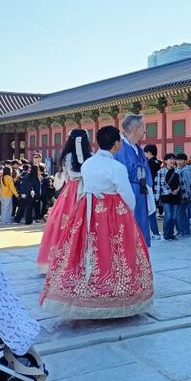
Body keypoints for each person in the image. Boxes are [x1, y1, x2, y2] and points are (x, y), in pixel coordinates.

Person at [40, 126, 154, 319]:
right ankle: (115, 294)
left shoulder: (88, 164)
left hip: (86, 209)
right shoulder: (117, 167)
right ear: (116, 144)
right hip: (112, 212)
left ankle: (83, 291)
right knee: (114, 252)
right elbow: (127, 196)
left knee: (85, 249)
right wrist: (129, 215)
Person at [36, 129, 92, 274]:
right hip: (82, 190)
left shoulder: (69, 156)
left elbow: (69, 176)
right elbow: (76, 174)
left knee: (67, 224)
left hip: (73, 190)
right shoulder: (87, 156)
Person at [114, 115, 153, 247]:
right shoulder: (120, 148)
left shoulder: (138, 149)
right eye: (143, 127)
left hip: (140, 191)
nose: (145, 130)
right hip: (127, 191)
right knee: (128, 230)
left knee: (140, 227)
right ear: (136, 129)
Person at [155, 154, 181, 241]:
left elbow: (181, 183)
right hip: (166, 196)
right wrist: (157, 198)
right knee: (168, 215)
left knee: (174, 216)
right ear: (165, 161)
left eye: (173, 159)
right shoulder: (160, 172)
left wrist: (178, 190)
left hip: (176, 196)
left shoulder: (178, 171)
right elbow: (158, 185)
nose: (172, 161)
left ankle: (171, 233)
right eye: (170, 159)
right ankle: (166, 234)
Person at [143, 144, 162, 240]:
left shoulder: (149, 163)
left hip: (150, 189)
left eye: (145, 152)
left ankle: (154, 232)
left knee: (150, 211)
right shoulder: (158, 162)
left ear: (149, 152)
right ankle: (155, 232)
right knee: (152, 211)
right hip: (157, 190)